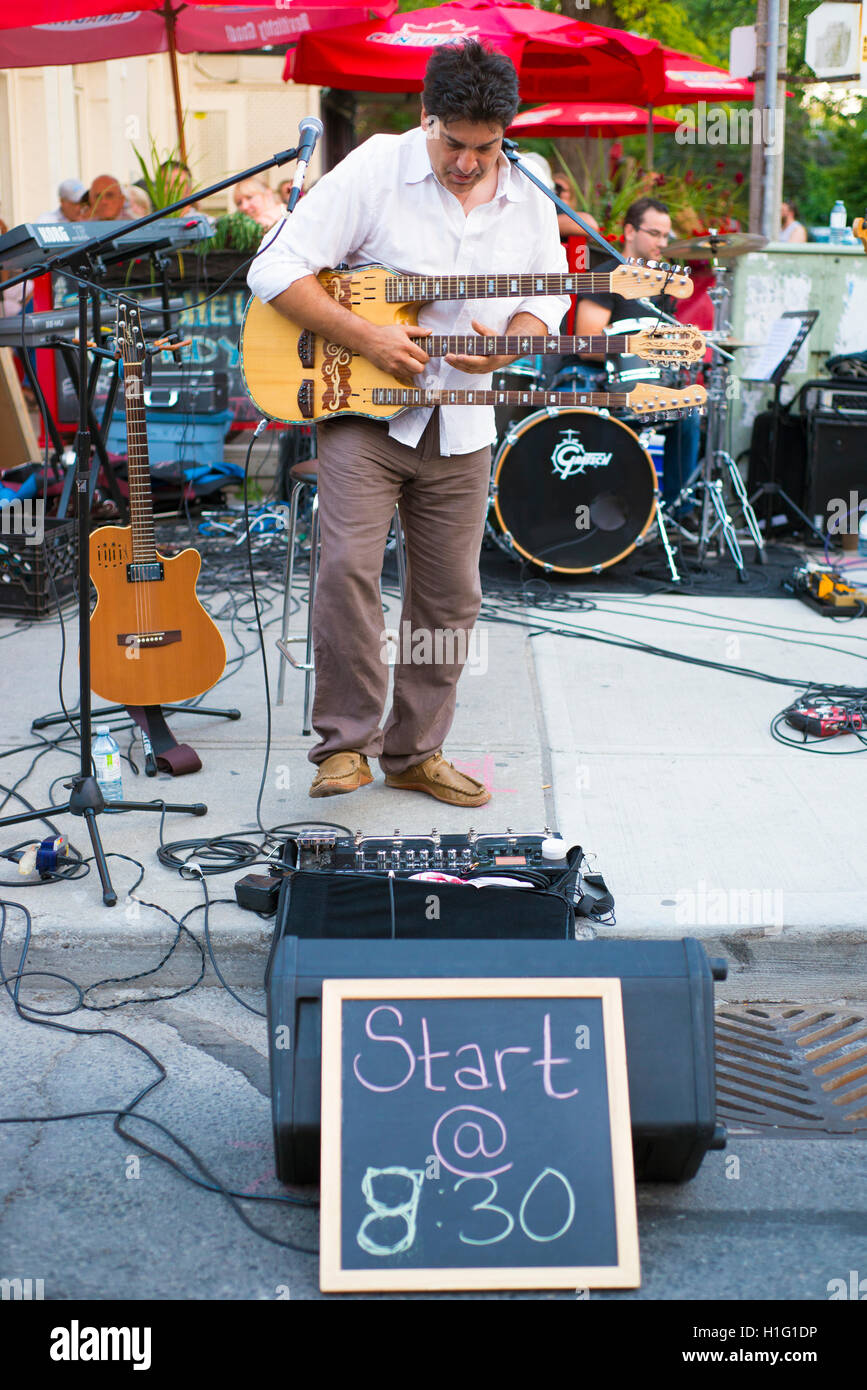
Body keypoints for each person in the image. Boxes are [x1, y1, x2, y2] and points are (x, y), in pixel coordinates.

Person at [247, 39, 568, 805]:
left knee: (450, 597)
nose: (466, 162)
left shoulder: (528, 187)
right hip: (361, 413)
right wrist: (367, 336)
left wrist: (512, 345)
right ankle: (344, 746)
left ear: (505, 134)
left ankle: (414, 750)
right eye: (453, 143)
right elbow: (273, 266)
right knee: (349, 569)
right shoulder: (374, 168)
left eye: (484, 148)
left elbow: (550, 294)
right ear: (427, 118)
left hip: (460, 422)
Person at [573, 196, 702, 517]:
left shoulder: (663, 284)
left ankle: (676, 512)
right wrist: (639, 346)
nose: (662, 242)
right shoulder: (606, 276)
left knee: (690, 413)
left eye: (666, 235)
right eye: (654, 233)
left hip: (649, 382)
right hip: (602, 383)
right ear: (630, 231)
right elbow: (586, 345)